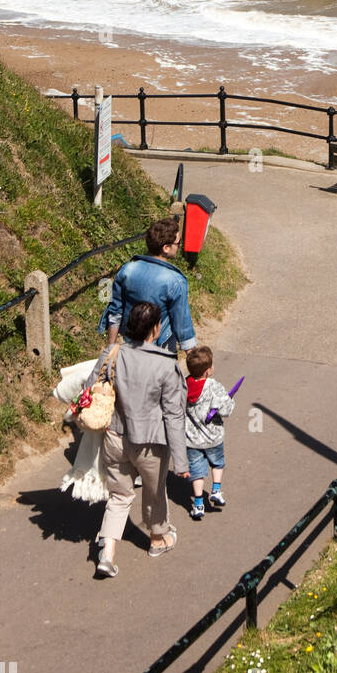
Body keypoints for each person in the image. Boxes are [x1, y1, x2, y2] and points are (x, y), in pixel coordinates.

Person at [89, 300, 190, 578]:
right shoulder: (165, 364)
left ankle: (107, 553)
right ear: (156, 329)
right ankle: (158, 539)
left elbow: (91, 388)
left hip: (115, 435)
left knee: (120, 495)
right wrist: (181, 461)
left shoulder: (113, 353)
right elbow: (173, 415)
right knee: (154, 491)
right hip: (150, 442)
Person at [98, 215, 197, 354]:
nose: (179, 246)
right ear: (166, 248)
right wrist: (195, 363)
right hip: (161, 348)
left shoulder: (127, 270)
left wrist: (110, 348)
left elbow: (115, 312)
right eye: (178, 243)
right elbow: (182, 323)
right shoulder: (175, 281)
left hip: (130, 345)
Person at [184, 346, 235, 519]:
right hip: (213, 437)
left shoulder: (184, 385)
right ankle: (216, 490)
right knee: (218, 463)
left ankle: (198, 503)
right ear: (208, 371)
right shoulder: (214, 386)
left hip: (191, 439)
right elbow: (226, 410)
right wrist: (228, 401)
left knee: (196, 471)